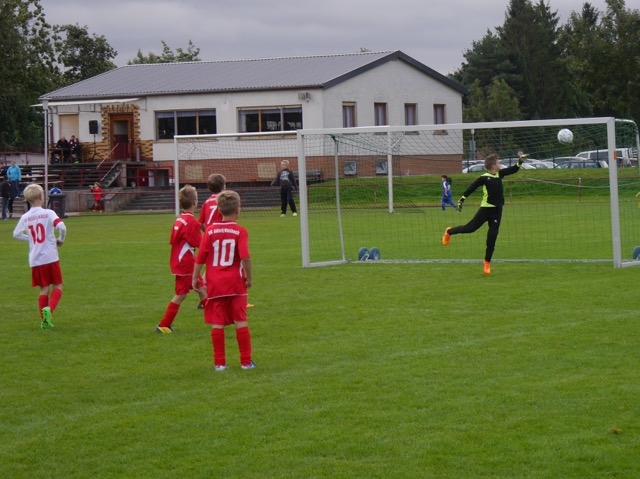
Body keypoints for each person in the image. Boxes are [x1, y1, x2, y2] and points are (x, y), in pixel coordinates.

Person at [193, 190, 255, 371]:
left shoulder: (210, 230)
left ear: (219, 210)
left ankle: (219, 363)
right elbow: (245, 257)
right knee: (240, 320)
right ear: (238, 210)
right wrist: (249, 278)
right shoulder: (240, 231)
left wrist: (195, 278)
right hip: (235, 282)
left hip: (215, 283)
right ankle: (246, 362)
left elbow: (201, 257)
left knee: (217, 322)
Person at [441, 153, 527, 275]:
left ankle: (487, 262)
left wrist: (520, 161)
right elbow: (472, 187)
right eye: (498, 163)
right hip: (485, 210)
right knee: (470, 228)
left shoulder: (499, 174)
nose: (500, 164)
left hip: (497, 211)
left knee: (492, 237)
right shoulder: (484, 178)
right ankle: (449, 231)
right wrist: (462, 199)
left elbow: (513, 169)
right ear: (493, 166)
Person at [12, 183, 67, 329]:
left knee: (44, 289)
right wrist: (60, 239)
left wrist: (30, 239)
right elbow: (62, 227)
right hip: (50, 256)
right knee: (58, 285)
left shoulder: (25, 217)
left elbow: (16, 234)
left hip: (35, 259)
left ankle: (45, 321)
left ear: (28, 200)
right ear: (42, 197)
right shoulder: (48, 213)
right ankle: (50, 309)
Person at [156, 185, 208, 333]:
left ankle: (218, 320)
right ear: (195, 202)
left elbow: (173, 240)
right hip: (186, 263)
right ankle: (163, 325)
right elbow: (201, 244)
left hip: (180, 261)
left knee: (201, 289)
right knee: (182, 294)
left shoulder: (180, 219)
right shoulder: (191, 222)